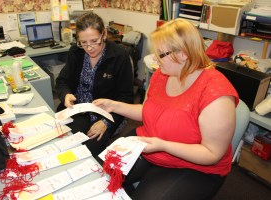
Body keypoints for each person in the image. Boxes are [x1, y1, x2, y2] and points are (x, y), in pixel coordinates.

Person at [93, 18, 239, 199]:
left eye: (160, 54)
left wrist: (164, 145)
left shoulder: (216, 94)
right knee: (96, 173)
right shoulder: (162, 75)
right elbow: (147, 111)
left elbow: (212, 154)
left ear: (183, 54)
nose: (155, 58)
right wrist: (114, 105)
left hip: (195, 166)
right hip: (152, 145)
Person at [55, 12, 134, 157]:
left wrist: (106, 122)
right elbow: (62, 81)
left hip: (107, 113)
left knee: (88, 153)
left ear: (104, 34)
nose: (89, 48)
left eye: (94, 41)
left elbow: (126, 98)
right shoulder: (76, 52)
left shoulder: (119, 56)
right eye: (83, 42)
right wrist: (66, 95)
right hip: (79, 109)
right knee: (64, 144)